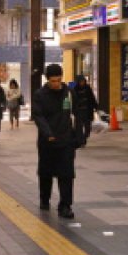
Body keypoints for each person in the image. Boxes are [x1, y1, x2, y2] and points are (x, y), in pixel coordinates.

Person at [32, 64, 78, 218]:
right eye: (53, 81)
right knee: (46, 173)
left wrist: (78, 136)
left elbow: (77, 113)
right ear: (47, 80)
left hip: (66, 141)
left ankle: (65, 205)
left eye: (59, 80)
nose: (57, 84)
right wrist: (48, 133)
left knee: (67, 174)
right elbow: (38, 116)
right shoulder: (40, 95)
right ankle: (45, 199)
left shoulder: (69, 93)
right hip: (48, 142)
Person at [71, 76, 97, 147]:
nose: (82, 83)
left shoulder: (88, 88)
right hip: (79, 111)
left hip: (87, 111)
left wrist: (95, 106)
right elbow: (73, 101)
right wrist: (73, 110)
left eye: (83, 81)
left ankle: (84, 138)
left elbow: (92, 98)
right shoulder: (74, 90)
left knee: (88, 128)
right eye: (80, 81)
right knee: (78, 128)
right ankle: (80, 141)